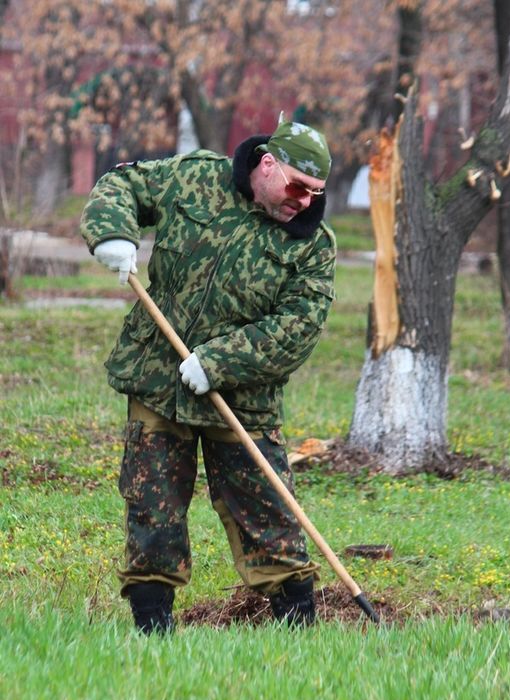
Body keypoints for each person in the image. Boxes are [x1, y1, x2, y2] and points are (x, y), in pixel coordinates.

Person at [80, 116, 337, 634]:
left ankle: (300, 633)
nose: (303, 202)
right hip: (158, 379)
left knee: (269, 513)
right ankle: (152, 635)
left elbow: (298, 327)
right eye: (296, 187)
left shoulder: (312, 246)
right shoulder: (196, 177)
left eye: (314, 193)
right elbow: (122, 183)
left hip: (242, 396)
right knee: (152, 508)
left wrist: (219, 362)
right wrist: (112, 233)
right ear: (268, 164)